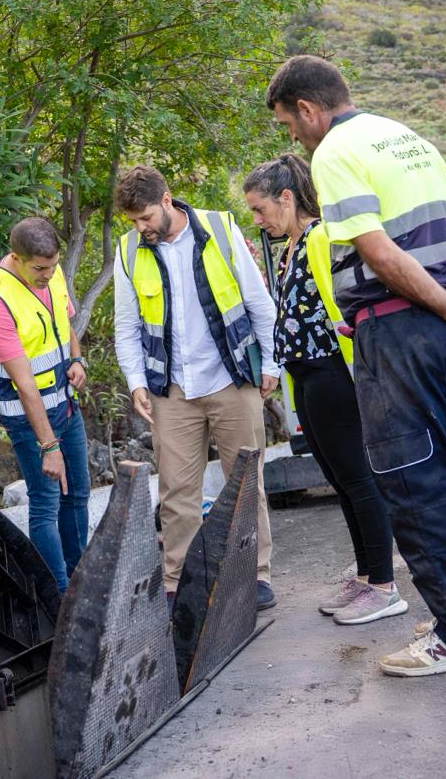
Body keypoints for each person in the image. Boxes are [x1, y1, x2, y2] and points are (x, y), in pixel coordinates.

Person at [266, 55, 446, 676]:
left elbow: (375, 250)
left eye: (289, 124)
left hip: (400, 333)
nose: (293, 137)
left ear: (308, 109)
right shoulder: (407, 138)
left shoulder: (336, 151)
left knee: (413, 483)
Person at [244, 154, 406, 625]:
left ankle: (384, 584)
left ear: (286, 198)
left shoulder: (319, 238)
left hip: (333, 373)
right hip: (305, 376)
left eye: (260, 209)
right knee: (340, 480)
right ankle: (365, 575)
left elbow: (340, 305)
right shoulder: (289, 246)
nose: (257, 219)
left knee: (358, 478)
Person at [112, 165, 279, 612]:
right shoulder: (128, 250)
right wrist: (136, 384)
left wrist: (273, 363)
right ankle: (177, 583)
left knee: (245, 483)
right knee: (176, 491)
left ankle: (256, 574)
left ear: (167, 200)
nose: (141, 228)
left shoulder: (219, 229)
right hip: (171, 388)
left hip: (231, 376)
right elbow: (126, 326)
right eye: (133, 222)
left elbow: (258, 301)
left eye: (146, 217)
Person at [0, 217, 90, 591]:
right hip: (30, 420)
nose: (48, 274)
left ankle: (79, 580)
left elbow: (65, 325)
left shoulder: (50, 274)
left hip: (66, 406)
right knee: (46, 503)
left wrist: (78, 359)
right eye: (40, 269)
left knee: (78, 494)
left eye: (53, 266)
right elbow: (24, 384)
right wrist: (47, 445)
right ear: (16, 258)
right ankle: (58, 595)